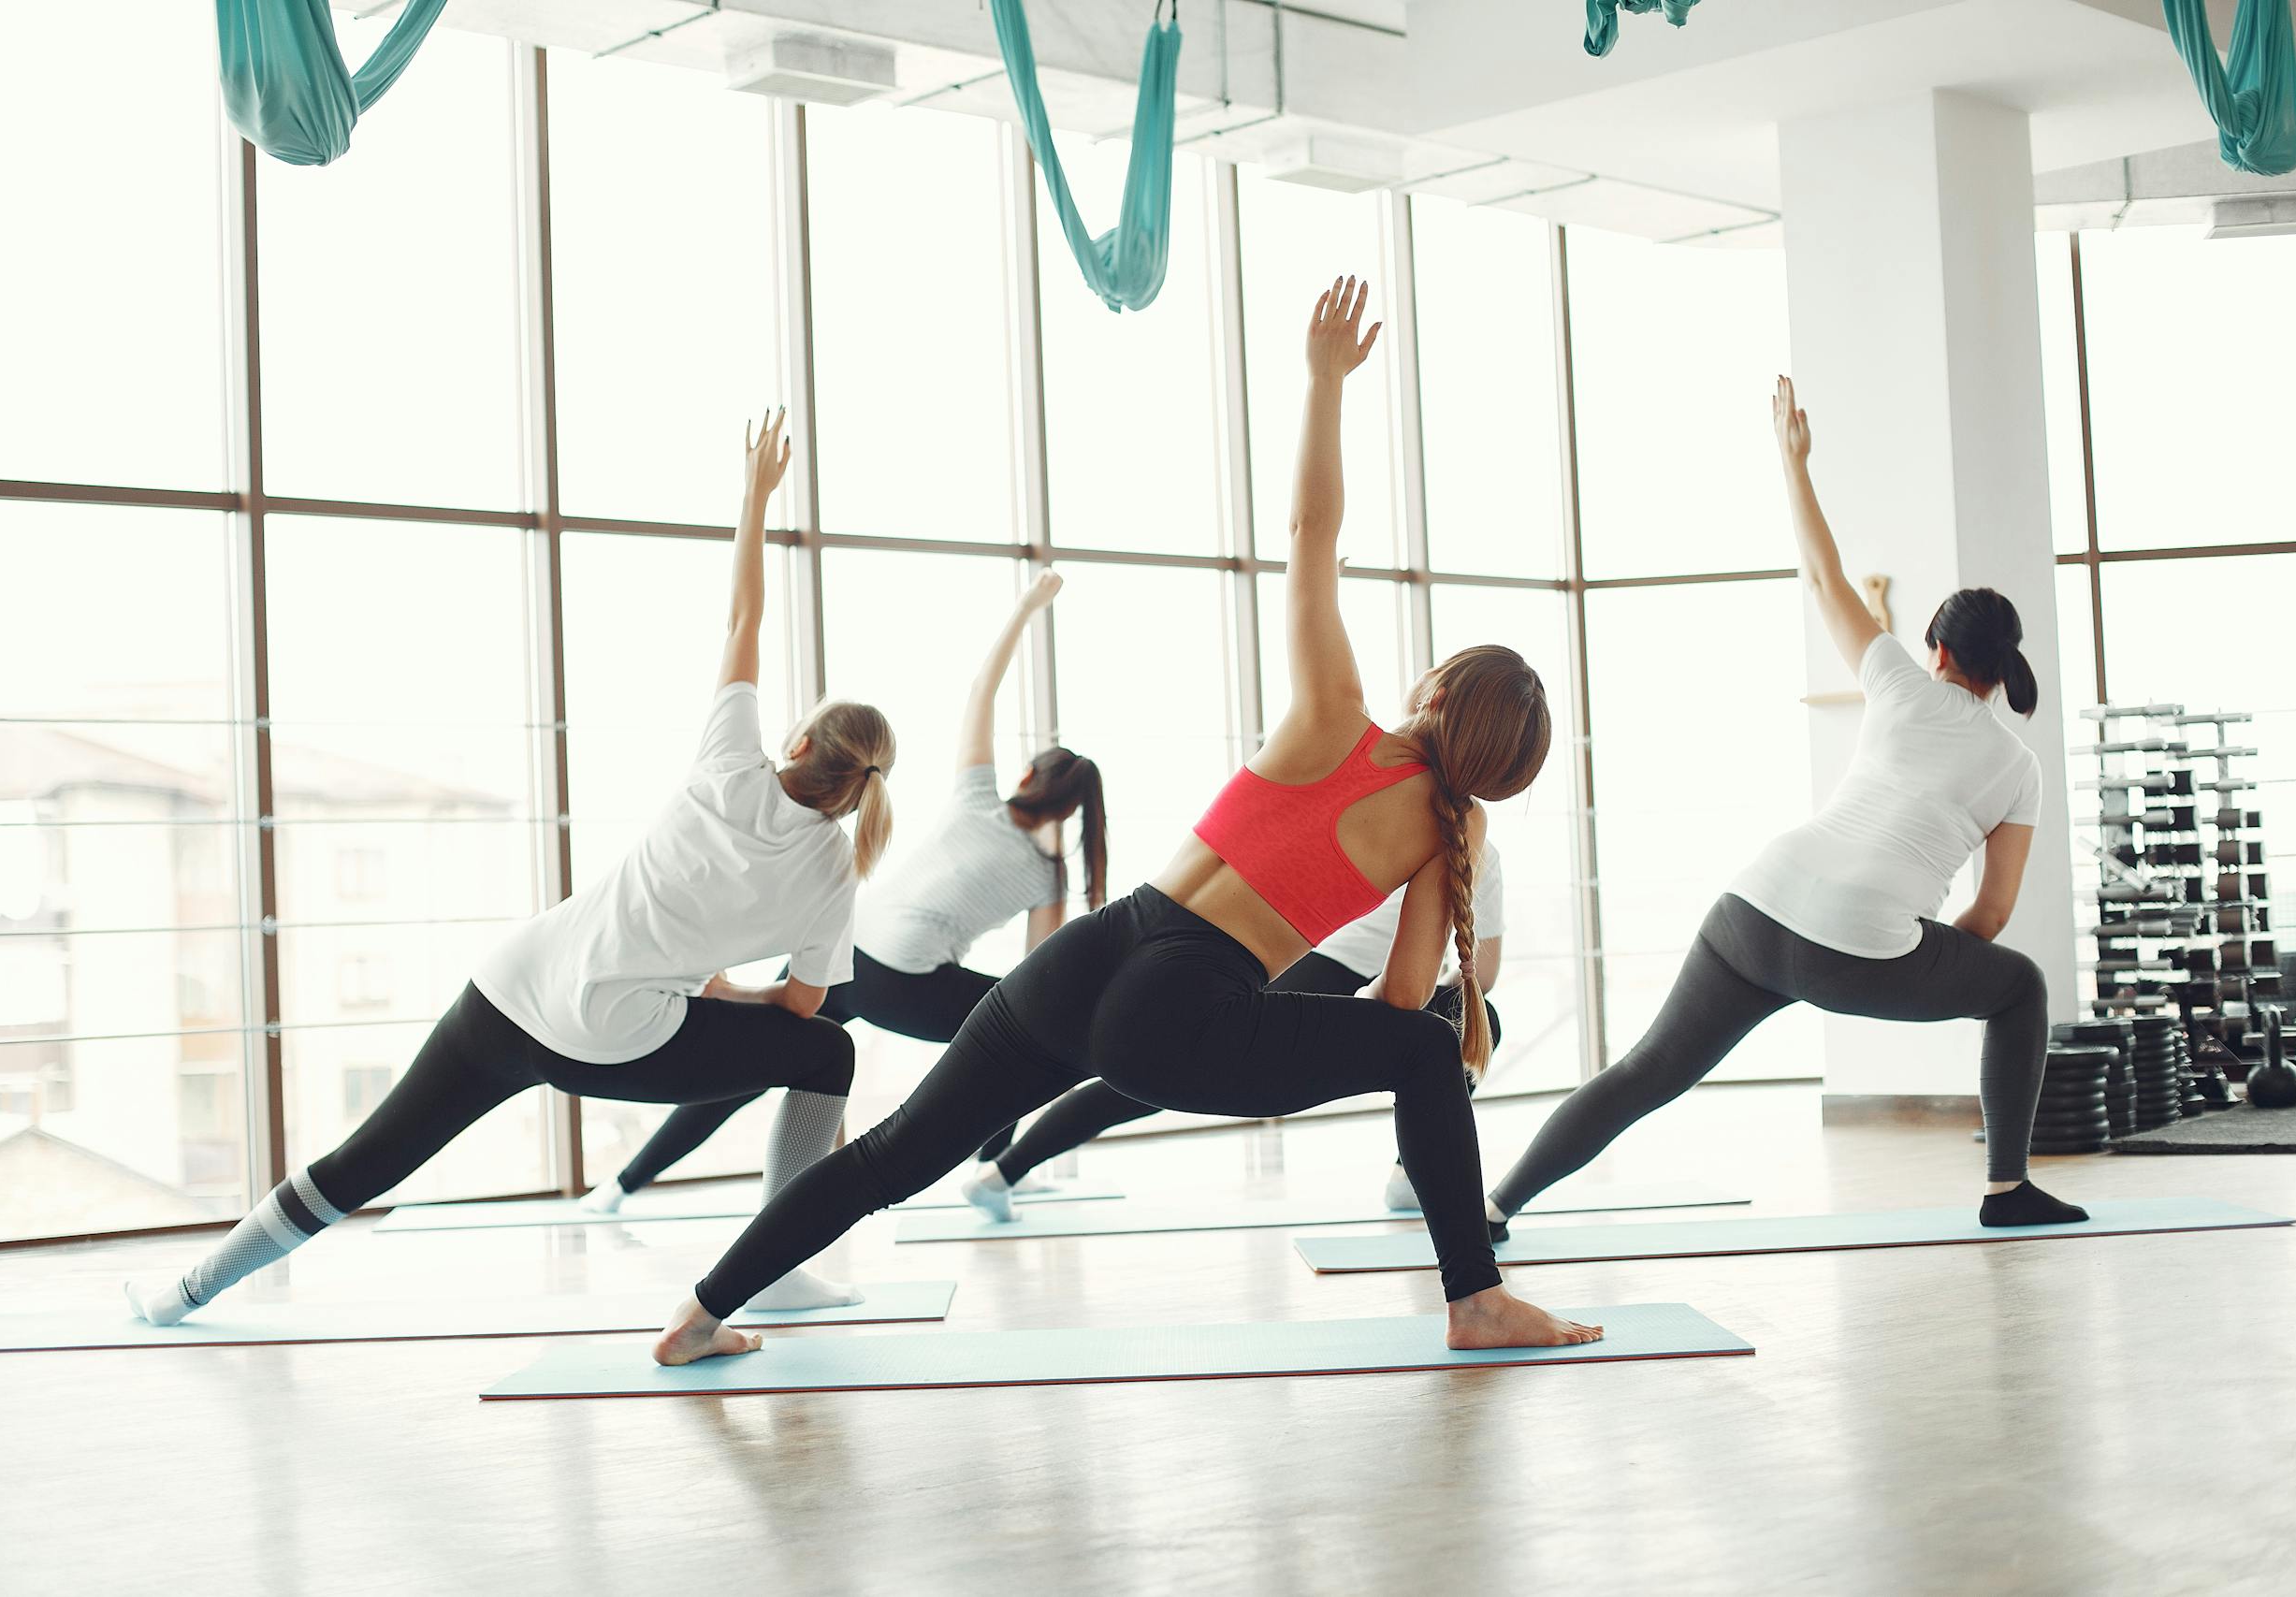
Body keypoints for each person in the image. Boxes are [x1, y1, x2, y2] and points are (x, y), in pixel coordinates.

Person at [654, 278, 1601, 1367]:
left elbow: (1311, 532)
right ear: (1500, 769)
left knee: (893, 1152)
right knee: (1427, 1051)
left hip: (1086, 959)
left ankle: (699, 1312)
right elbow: (1394, 1009)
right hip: (1186, 1012)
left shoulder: (1333, 717)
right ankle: (1473, 1297)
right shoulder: (1451, 834)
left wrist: (1325, 384)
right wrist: (1370, 1048)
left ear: (1433, 688)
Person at [126, 410, 900, 1324]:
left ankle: (183, 1294)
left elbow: (743, 616)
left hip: (511, 988)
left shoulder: (729, 760)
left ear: (802, 740)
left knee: (366, 1161)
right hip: (622, 1038)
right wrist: (720, 995)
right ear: (861, 789)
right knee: (826, 1052)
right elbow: (804, 1009)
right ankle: (774, 1273)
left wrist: (753, 498)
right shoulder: (831, 873)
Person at [1484, 376, 2085, 1235]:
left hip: (1755, 903)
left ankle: (1494, 1204)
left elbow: (1820, 575)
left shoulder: (1894, 681)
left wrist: (1793, 460)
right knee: (2020, 987)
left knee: (1649, 1068)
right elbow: (1989, 913)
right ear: (2000, 667)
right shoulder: (2017, 766)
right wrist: (1916, 955)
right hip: (1860, 944)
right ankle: (2006, 1190)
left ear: (1938, 648)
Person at [579, 573, 1105, 1212]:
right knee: (1028, 1039)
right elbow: (1034, 974)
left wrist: (1024, 607)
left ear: (1026, 775)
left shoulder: (976, 798)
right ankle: (993, 1172)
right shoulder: (1046, 876)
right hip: (907, 978)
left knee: (745, 1076)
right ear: (1075, 811)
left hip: (846, 952)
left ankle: (618, 1187)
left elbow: (980, 689)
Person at [954, 840, 1506, 1222]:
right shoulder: (1455, 846)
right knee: (1157, 1078)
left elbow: (1480, 975)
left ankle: (1002, 1172)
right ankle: (1004, 1170)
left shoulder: (1434, 837)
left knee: (1151, 1080)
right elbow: (1481, 976)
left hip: (1321, 971)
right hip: (1322, 972)